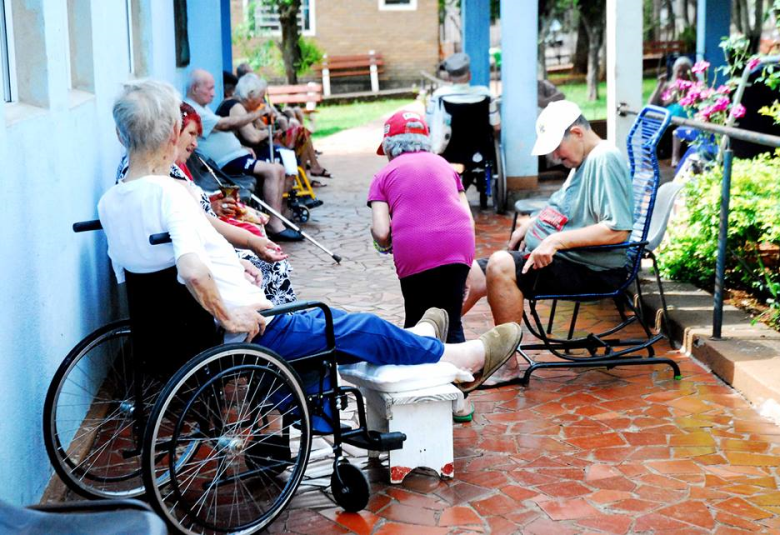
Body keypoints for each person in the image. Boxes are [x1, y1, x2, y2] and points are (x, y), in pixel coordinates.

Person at [99, 78, 522, 394]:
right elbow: (190, 269)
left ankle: (419, 340)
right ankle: (462, 356)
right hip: (253, 330)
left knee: (346, 332)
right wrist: (229, 317)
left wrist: (234, 263)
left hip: (176, 334)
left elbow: (157, 269)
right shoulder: (172, 194)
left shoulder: (112, 202)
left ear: (121, 136)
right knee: (358, 328)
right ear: (174, 134)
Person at [462, 100, 634, 386]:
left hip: (592, 269)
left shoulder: (604, 158)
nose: (555, 156)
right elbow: (567, 209)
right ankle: (432, 351)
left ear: (577, 133)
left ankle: (506, 365)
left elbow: (617, 230)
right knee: (471, 275)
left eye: (557, 147)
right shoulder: (582, 161)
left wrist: (554, 241)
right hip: (568, 261)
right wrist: (532, 224)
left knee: (501, 265)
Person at [116, 102, 297, 305]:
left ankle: (277, 321)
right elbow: (190, 258)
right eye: (190, 134)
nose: (194, 143)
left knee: (259, 250)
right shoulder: (161, 183)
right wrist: (242, 252)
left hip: (190, 257)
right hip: (188, 265)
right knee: (268, 266)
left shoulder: (131, 185)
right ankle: (273, 324)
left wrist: (245, 243)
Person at [369, 111, 475, 343]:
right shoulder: (446, 166)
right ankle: (462, 373)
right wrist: (464, 266)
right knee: (452, 322)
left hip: (416, 249)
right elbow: (468, 218)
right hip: (458, 246)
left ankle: (422, 374)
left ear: (389, 147)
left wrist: (383, 244)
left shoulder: (383, 175)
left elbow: (382, 231)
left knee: (417, 321)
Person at [185, 69, 302, 241]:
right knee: (273, 170)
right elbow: (224, 125)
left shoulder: (203, 108)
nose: (214, 93)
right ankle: (275, 224)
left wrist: (240, 147)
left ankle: (277, 219)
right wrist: (257, 114)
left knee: (277, 168)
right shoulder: (193, 110)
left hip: (235, 156)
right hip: (224, 163)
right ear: (195, 88)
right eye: (209, 89)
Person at [426, 52, 500, 154]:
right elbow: (497, 127)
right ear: (469, 76)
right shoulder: (486, 94)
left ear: (449, 78)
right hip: (479, 154)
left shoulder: (439, 96)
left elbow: (428, 125)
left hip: (447, 152)